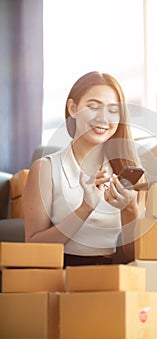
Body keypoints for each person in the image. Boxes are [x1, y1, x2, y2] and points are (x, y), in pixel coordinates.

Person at [24, 71, 145, 267]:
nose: (103, 118)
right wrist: (84, 209)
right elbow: (33, 247)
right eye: (93, 106)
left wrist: (130, 210)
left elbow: (135, 256)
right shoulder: (46, 169)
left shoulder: (128, 172)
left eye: (113, 110)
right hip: (61, 274)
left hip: (112, 275)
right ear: (73, 108)